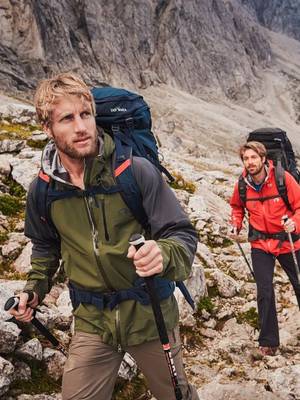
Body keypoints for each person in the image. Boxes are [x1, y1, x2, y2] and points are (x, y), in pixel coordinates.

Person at [9, 72, 199, 400]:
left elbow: (180, 234)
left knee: (176, 395)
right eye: (67, 118)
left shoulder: (135, 172)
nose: (81, 127)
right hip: (93, 323)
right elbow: (45, 247)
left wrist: (162, 253)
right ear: (47, 128)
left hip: (149, 315)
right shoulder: (43, 190)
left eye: (86, 114)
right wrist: (34, 292)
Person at [230, 141, 300, 356]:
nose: (250, 162)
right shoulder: (242, 184)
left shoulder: (282, 179)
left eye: (253, 158)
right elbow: (237, 207)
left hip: (288, 241)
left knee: (299, 284)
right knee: (264, 290)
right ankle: (269, 342)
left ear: (263, 158)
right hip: (261, 244)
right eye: (246, 159)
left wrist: (295, 223)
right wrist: (235, 224)